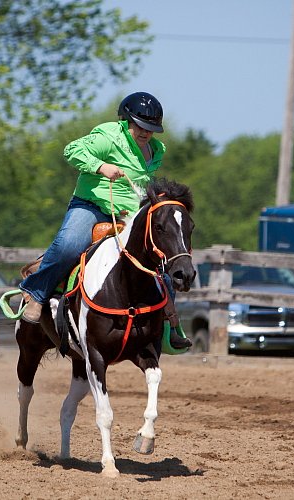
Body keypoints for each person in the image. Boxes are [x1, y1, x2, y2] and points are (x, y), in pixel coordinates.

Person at [18, 91, 191, 350]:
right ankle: (36, 293)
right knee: (69, 245)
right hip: (92, 205)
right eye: (141, 127)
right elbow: (72, 150)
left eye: (151, 129)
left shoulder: (156, 150)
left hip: (129, 214)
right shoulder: (108, 136)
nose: (146, 133)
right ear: (127, 121)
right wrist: (101, 167)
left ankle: (168, 325)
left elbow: (143, 185)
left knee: (162, 258)